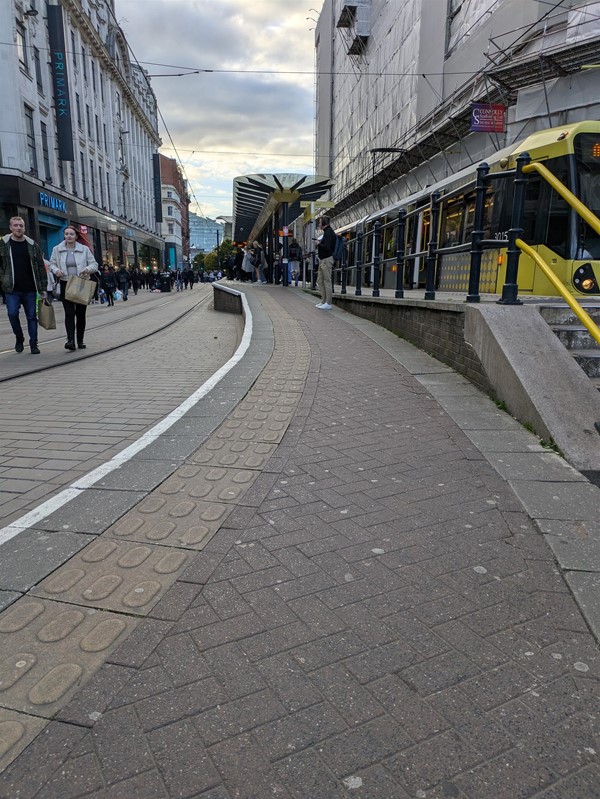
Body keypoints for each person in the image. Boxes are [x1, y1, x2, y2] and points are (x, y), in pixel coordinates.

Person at [0, 216, 47, 354]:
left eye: (21, 226)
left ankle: (34, 343)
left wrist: (43, 288)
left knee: (32, 316)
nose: (18, 228)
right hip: (11, 288)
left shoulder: (32, 245)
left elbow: (40, 267)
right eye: (15, 225)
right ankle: (19, 337)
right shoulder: (3, 244)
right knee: (12, 313)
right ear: (10, 228)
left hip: (30, 288)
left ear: (24, 228)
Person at [49, 226, 98, 350]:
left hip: (81, 283)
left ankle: (80, 340)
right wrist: (56, 270)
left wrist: (87, 269)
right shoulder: (57, 249)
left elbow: (94, 264)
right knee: (69, 313)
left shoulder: (84, 249)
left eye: (71, 234)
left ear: (76, 236)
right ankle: (70, 340)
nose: (69, 236)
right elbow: (51, 264)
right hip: (66, 283)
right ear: (64, 235)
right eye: (66, 234)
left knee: (81, 314)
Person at [316, 216, 336, 310]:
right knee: (320, 280)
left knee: (327, 281)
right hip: (322, 259)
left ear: (324, 223)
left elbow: (327, 247)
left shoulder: (329, 232)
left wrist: (319, 244)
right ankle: (323, 301)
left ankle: (328, 302)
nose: (319, 225)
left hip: (327, 259)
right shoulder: (326, 232)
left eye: (320, 223)